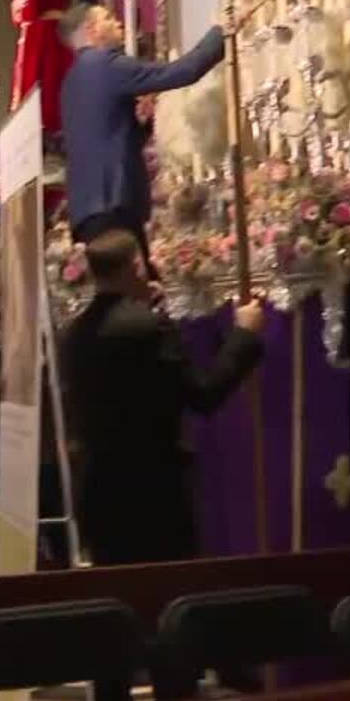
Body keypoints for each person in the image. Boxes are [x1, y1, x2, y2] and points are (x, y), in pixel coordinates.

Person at [61, 230, 265, 566]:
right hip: (155, 498)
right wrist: (244, 334)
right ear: (138, 266)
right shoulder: (149, 328)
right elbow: (204, 394)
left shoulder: (71, 333)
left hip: (99, 497)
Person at [60, 5, 227, 279]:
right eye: (108, 19)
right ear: (91, 31)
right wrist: (221, 31)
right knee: (137, 289)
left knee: (118, 290)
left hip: (86, 210)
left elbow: (108, 136)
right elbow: (183, 71)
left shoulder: (70, 82)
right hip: (114, 201)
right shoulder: (107, 64)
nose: (118, 23)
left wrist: (142, 123)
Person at [10, 0, 77, 135]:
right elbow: (19, 13)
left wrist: (24, 8)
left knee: (47, 79)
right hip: (32, 37)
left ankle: (48, 125)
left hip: (46, 36)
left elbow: (32, 8)